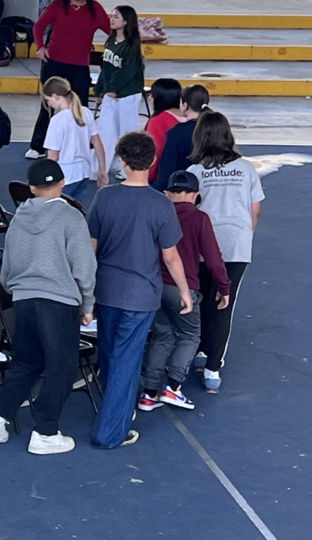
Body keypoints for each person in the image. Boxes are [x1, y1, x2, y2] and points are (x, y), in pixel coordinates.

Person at [0, 159, 96, 455]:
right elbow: (84, 265)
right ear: (62, 183)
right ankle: (45, 431)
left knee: (27, 362)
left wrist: (11, 288)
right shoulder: (71, 217)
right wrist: (88, 304)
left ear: (30, 188)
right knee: (62, 366)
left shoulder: (19, 216)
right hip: (57, 301)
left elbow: (9, 262)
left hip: (23, 299)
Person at [87, 131, 192, 449]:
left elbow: (90, 248)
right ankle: (111, 430)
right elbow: (170, 256)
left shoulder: (104, 198)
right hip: (141, 295)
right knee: (126, 360)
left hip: (106, 290)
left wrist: (84, 291)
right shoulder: (161, 205)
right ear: (153, 161)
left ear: (122, 160)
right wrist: (185, 291)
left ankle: (116, 411)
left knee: (108, 355)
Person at [138, 170, 230, 413]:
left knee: (162, 336)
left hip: (154, 287)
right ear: (196, 195)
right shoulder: (199, 219)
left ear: (167, 193)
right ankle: (174, 386)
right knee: (190, 336)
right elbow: (212, 257)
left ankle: (148, 394)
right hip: (183, 288)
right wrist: (224, 286)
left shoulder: (156, 216)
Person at [188, 111, 264, 394]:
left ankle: (200, 351)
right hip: (236, 246)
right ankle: (213, 369)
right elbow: (254, 209)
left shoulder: (196, 171)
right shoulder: (246, 169)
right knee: (223, 305)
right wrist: (245, 236)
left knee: (202, 299)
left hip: (203, 247)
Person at [28, 0, 110, 158]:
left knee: (80, 106)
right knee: (48, 104)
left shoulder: (94, 9)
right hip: (54, 62)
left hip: (79, 65)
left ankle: (80, 146)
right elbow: (39, 27)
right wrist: (41, 47)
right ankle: (38, 145)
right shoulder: (58, 5)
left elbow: (110, 31)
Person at [95, 5, 145, 179]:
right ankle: (102, 167)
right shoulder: (110, 42)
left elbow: (128, 72)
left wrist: (113, 89)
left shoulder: (131, 46)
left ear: (126, 21)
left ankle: (130, 168)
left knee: (127, 132)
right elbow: (106, 68)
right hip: (111, 93)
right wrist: (101, 90)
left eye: (117, 16)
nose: (112, 19)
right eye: (113, 16)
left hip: (127, 95)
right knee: (105, 131)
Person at [42, 75, 108, 203]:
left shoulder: (57, 121)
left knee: (56, 213)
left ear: (56, 96)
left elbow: (53, 155)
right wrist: (102, 169)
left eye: (48, 100)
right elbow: (98, 143)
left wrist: (46, 179)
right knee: (75, 212)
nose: (48, 104)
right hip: (83, 172)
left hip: (64, 176)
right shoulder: (85, 112)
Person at [155, 84, 210, 191]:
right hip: (211, 186)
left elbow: (166, 173)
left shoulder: (177, 132)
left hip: (183, 190)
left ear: (185, 105)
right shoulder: (216, 127)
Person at [144, 78, 184, 185]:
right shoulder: (190, 117)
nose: (150, 98)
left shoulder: (158, 121)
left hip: (165, 179)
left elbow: (155, 152)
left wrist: (147, 178)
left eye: (152, 95)